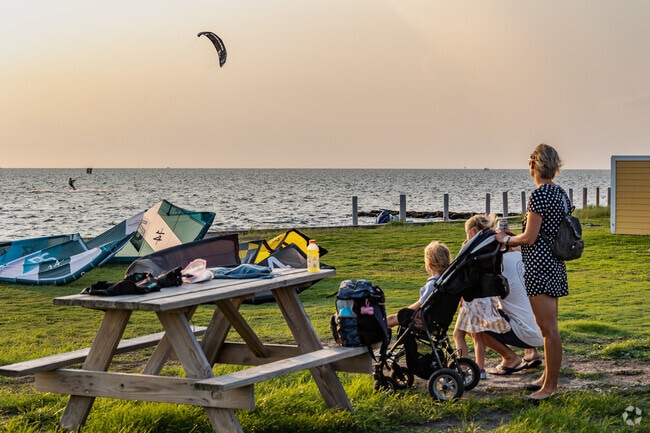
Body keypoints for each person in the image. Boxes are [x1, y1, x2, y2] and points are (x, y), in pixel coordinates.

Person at [495, 143, 569, 403]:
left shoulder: (539, 195)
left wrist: (505, 240)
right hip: (555, 263)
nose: (529, 167)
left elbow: (530, 238)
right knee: (548, 326)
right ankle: (547, 377)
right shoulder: (560, 193)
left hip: (540, 266)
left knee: (548, 329)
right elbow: (543, 235)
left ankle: (549, 387)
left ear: (535, 165)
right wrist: (517, 237)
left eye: (530, 162)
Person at [453, 214, 511, 379]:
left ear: (472, 231)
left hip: (473, 299)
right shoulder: (489, 247)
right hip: (484, 297)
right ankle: (475, 368)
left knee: (472, 335)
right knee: (463, 334)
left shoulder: (472, 250)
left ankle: (473, 368)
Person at [484, 247, 544, 374]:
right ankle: (531, 351)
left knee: (473, 321)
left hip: (525, 332)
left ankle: (509, 358)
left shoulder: (496, 263)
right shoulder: (520, 256)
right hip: (541, 331)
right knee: (518, 303)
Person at [386, 241, 451, 328]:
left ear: (430, 265)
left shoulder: (433, 285)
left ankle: (374, 334)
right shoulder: (448, 282)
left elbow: (420, 305)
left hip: (423, 320)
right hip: (439, 320)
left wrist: (406, 311)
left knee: (392, 319)